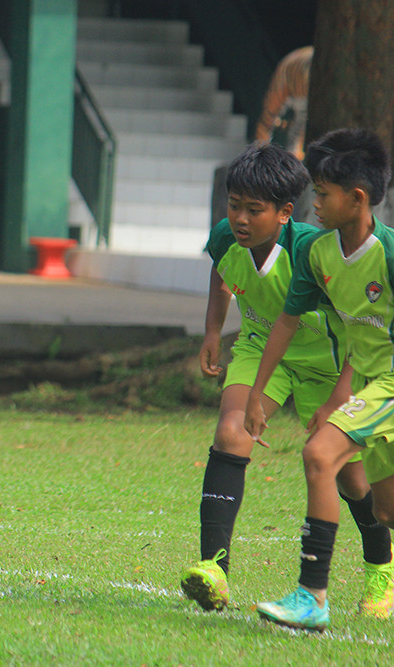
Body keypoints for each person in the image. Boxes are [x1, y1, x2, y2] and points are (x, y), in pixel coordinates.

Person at [180, 142, 390, 616]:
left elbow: (362, 324)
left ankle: (382, 570)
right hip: (261, 349)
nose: (240, 218)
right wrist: (214, 329)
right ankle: (214, 569)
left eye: (254, 210)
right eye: (234, 205)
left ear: (284, 213)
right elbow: (221, 274)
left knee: (355, 481)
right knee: (232, 433)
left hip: (330, 363)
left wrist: (344, 390)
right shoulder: (225, 237)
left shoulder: (312, 252)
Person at [245, 128, 394, 631]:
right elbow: (286, 322)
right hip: (373, 382)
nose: (314, 204)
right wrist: (257, 395)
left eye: (323, 195)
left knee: (319, 454)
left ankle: (312, 596)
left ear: (358, 199)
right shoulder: (319, 254)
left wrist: (347, 395)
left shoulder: (389, 255)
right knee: (387, 509)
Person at [254, 46, 312, 159]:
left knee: (299, 128)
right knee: (268, 119)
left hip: (304, 96)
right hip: (289, 76)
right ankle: (259, 156)